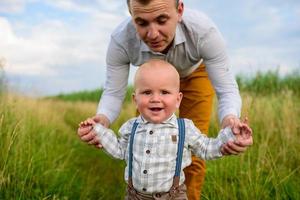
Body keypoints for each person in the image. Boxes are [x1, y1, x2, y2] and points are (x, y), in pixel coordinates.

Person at [78, 0, 253, 199]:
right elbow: (113, 92)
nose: (152, 34)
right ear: (131, 15)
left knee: (192, 149)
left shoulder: (204, 32)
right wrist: (102, 119)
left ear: (179, 11)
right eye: (142, 23)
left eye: (162, 20)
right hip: (151, 82)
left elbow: (226, 89)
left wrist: (229, 121)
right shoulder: (121, 40)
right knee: (143, 141)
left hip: (195, 74)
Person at [78, 60, 253, 200]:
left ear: (178, 99)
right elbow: (119, 150)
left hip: (173, 195)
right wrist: (97, 131)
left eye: (164, 92)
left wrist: (231, 136)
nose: (155, 99)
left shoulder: (185, 128)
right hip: (135, 196)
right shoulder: (131, 127)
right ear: (135, 99)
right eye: (146, 92)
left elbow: (207, 148)